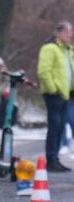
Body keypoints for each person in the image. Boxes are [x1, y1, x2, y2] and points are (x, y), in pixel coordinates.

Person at [37, 21, 74, 172]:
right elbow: (44, 71)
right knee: (55, 127)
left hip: (66, 95)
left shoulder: (68, 50)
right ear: (58, 33)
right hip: (55, 95)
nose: (70, 35)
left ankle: (55, 158)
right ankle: (51, 159)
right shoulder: (50, 48)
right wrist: (53, 89)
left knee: (60, 128)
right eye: (67, 32)